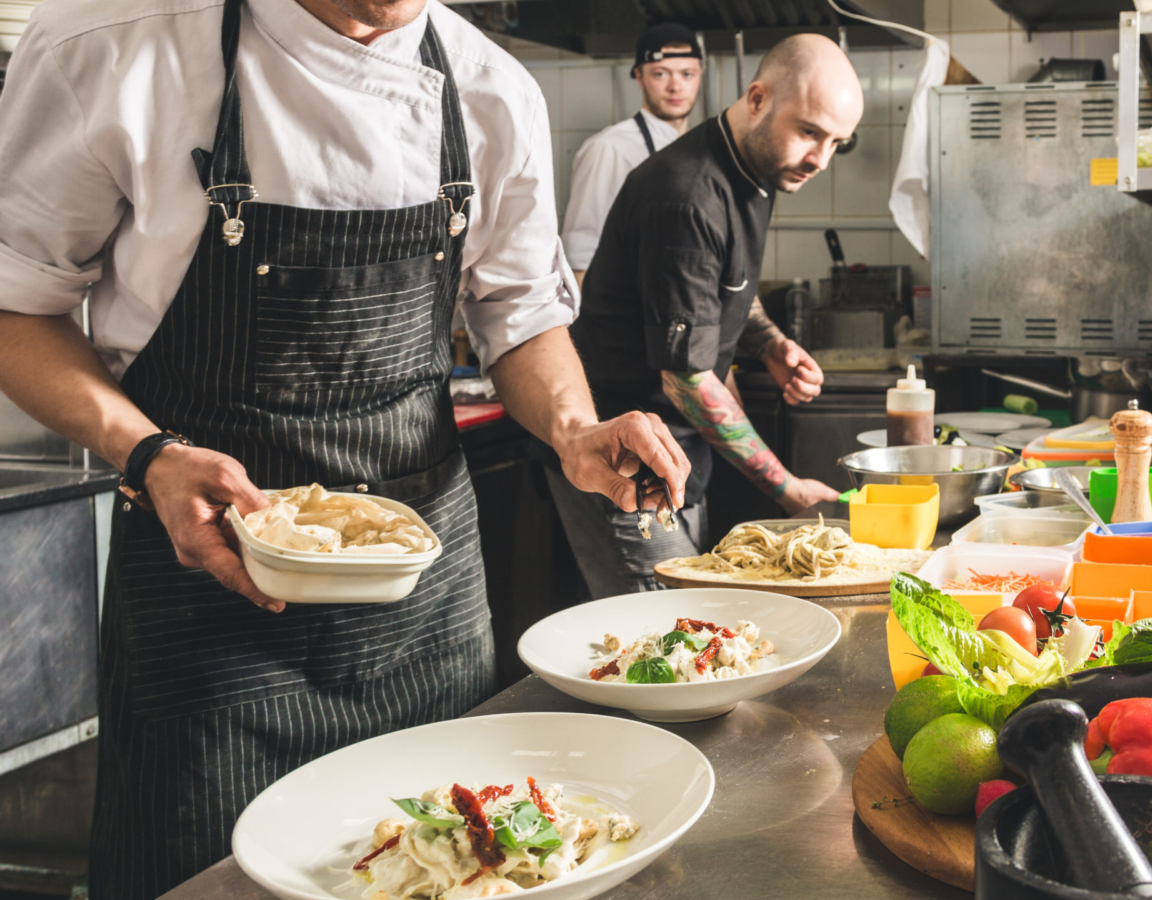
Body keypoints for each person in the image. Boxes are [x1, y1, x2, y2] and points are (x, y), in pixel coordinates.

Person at [0, 0, 687, 896]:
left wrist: (574, 428)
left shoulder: (490, 88)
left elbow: (517, 310)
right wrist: (147, 454)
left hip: (424, 608)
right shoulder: (116, 50)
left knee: (464, 870)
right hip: (209, 590)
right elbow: (19, 308)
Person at [547, 34, 863, 597]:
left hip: (683, 459)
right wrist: (787, 488)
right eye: (810, 132)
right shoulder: (687, 195)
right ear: (759, 98)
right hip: (625, 465)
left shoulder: (757, 172)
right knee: (665, 642)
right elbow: (685, 377)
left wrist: (767, 343)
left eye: (838, 141)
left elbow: (729, 284)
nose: (819, 159)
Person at [562, 22, 703, 285]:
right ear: (639, 77)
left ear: (699, 75)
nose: (675, 86)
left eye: (687, 74)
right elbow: (581, 257)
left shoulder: (702, 150)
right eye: (661, 74)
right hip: (626, 317)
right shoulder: (610, 148)